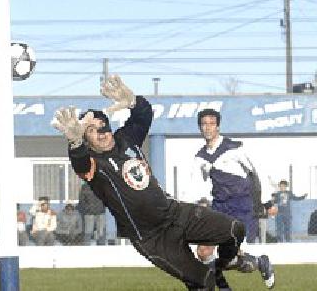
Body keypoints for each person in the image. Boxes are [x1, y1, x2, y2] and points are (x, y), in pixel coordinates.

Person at [52, 74, 275, 290]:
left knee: (235, 230)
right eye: (91, 130)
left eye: (102, 125)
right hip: (152, 237)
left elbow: (144, 114)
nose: (101, 132)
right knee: (204, 281)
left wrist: (132, 100)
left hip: (175, 213)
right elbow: (79, 161)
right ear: (86, 139)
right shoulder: (94, 164)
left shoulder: (126, 138)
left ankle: (229, 261)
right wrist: (74, 142)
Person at [194, 108, 278, 257]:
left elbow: (257, 171)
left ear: (218, 126)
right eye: (204, 124)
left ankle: (260, 263)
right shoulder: (200, 157)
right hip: (219, 207)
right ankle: (211, 279)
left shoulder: (234, 147)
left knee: (237, 254)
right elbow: (201, 184)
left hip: (241, 205)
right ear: (200, 127)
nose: (208, 127)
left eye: (212, 124)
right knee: (203, 251)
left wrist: (267, 202)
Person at [78, 181, 108, 245]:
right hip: (89, 214)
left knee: (101, 231)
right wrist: (87, 208)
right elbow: (81, 200)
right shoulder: (85, 187)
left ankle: (102, 247)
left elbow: (107, 197)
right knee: (88, 231)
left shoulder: (102, 186)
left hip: (100, 212)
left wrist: (102, 207)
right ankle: (87, 246)